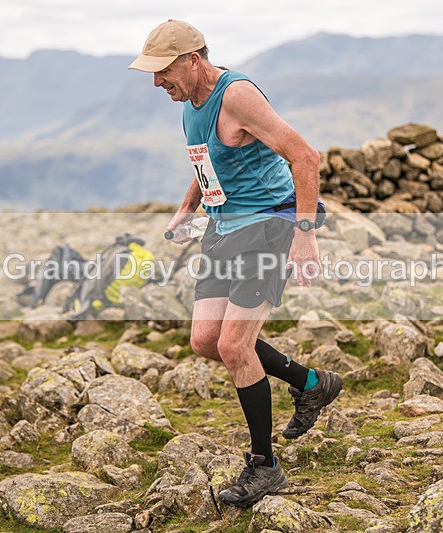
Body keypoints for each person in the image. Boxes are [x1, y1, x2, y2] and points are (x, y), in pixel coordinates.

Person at [129, 20, 342, 507]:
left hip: (269, 226)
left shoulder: (237, 94)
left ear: (193, 61)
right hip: (223, 228)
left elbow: (305, 157)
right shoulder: (190, 105)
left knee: (234, 344)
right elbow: (207, 163)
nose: (157, 83)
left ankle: (264, 467)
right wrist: (187, 208)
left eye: (162, 71)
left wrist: (305, 237)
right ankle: (312, 383)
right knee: (206, 341)